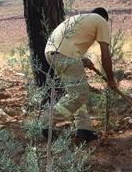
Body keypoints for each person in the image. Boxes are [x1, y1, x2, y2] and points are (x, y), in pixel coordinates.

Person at [42, 8, 117, 143]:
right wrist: (111, 79)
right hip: (66, 55)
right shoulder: (101, 21)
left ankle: (84, 129)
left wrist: (82, 61)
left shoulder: (81, 19)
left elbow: (67, 43)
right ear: (104, 18)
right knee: (79, 95)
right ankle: (47, 121)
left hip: (51, 53)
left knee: (76, 92)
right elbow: (105, 54)